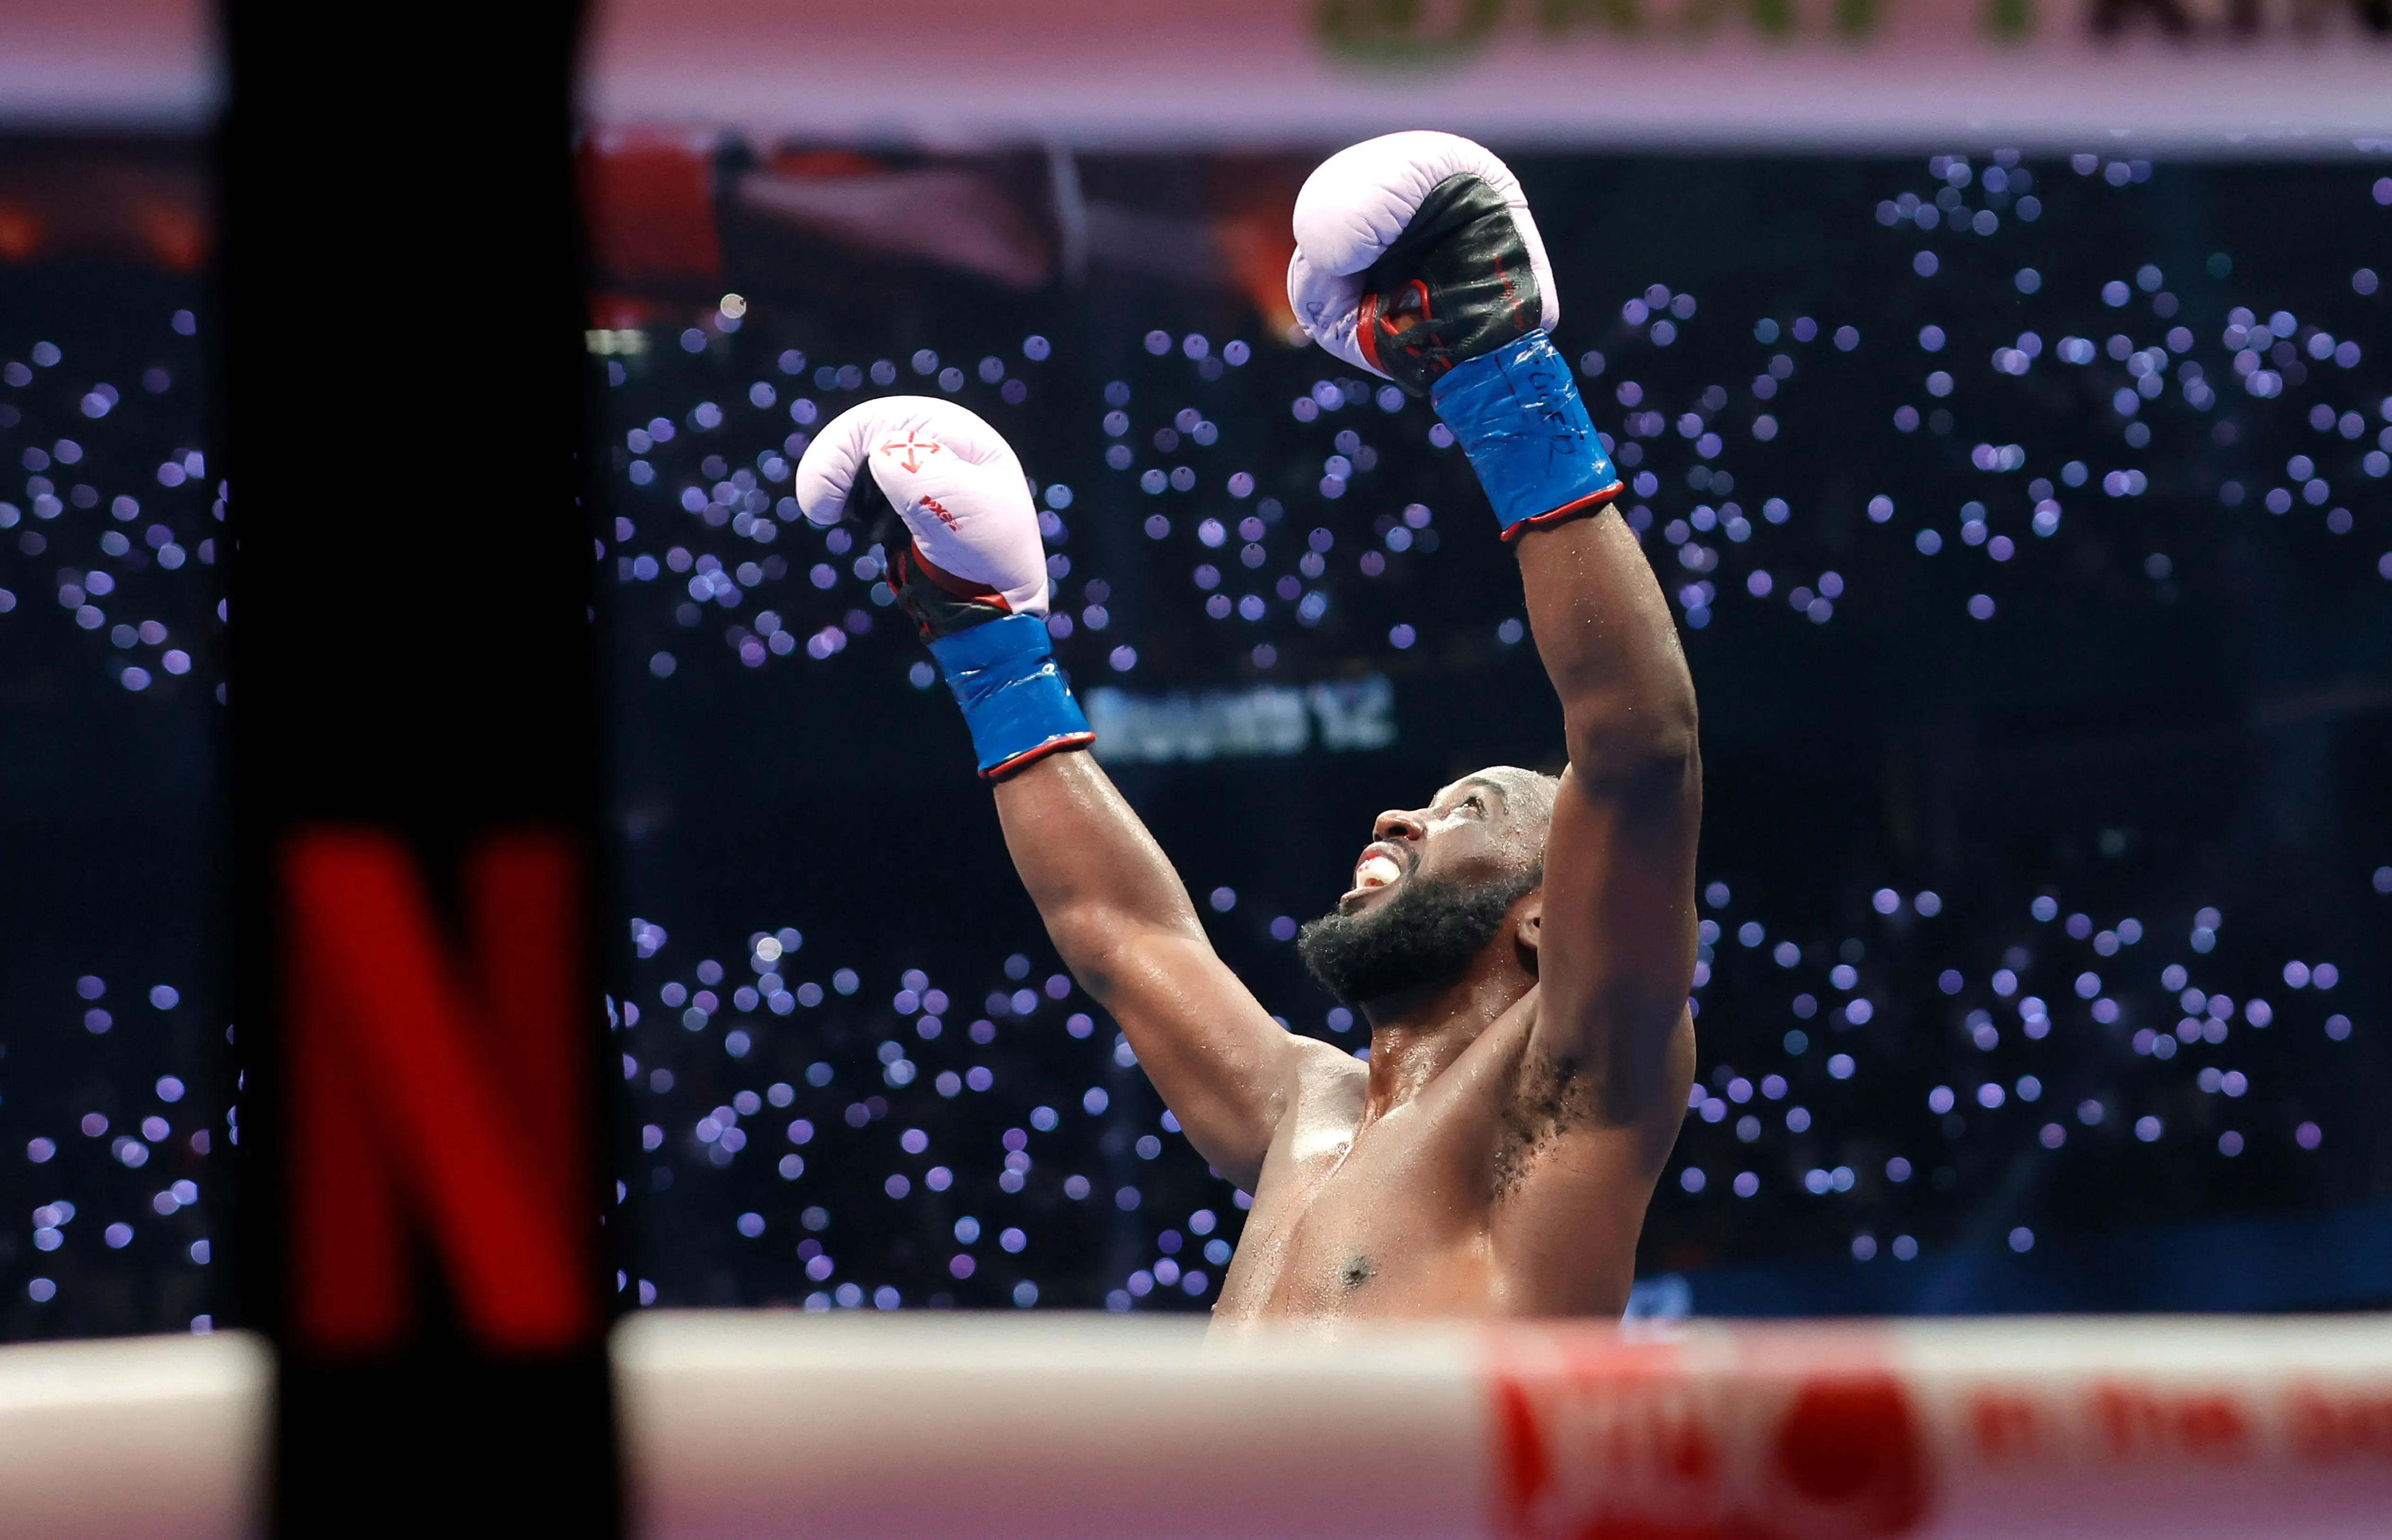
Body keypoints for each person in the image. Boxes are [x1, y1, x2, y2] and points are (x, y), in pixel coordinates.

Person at [795, 131, 1699, 1324]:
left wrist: (1500, 371)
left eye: (1467, 808)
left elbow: (1639, 752)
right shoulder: (1300, 1113)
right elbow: (1122, 934)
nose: (1400, 814)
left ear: (1549, 911)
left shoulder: (1569, 1083)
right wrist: (987, 645)